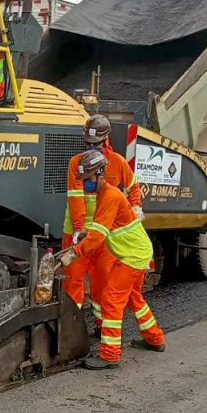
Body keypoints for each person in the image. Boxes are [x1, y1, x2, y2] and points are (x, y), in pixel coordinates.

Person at [61, 150, 164, 370]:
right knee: (132, 296)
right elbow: (100, 229)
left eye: (88, 179)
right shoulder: (105, 194)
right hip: (134, 252)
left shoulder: (109, 196)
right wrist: (84, 234)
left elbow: (98, 237)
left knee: (111, 298)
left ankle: (109, 355)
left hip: (132, 255)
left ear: (99, 174)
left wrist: (74, 252)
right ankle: (155, 339)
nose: (85, 185)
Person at [62, 114, 143, 330]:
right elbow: (75, 197)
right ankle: (72, 329)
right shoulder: (76, 164)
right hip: (77, 234)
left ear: (105, 139)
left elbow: (134, 187)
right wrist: (79, 229)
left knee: (103, 284)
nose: (91, 147)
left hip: (103, 237)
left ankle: (101, 326)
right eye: (87, 143)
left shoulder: (117, 162)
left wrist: (136, 207)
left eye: (95, 143)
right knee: (72, 283)